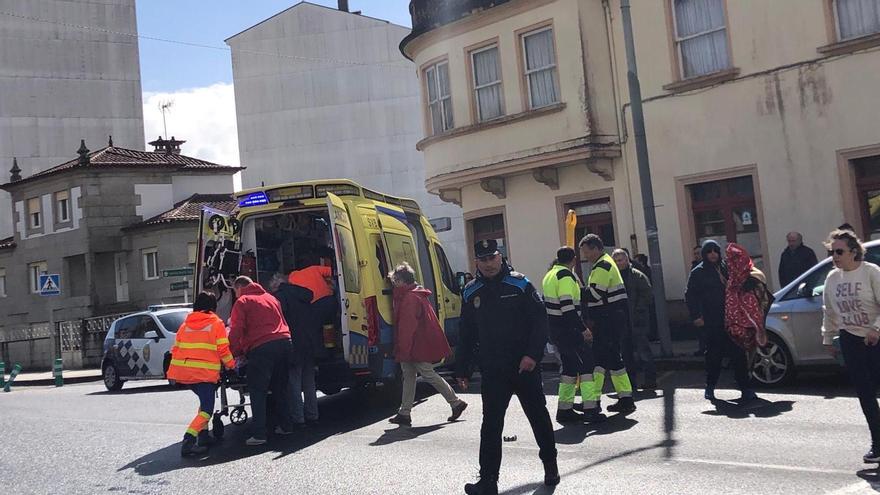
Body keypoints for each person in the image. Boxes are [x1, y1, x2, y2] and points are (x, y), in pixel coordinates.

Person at [456, 239, 558, 494]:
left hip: (524, 367)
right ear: (476, 261)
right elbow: (467, 334)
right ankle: (488, 480)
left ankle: (550, 465)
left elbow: (540, 323)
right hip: (493, 369)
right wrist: (463, 369)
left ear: (500, 257)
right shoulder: (471, 291)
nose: (489, 264)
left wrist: (533, 355)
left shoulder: (520, 284)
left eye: (493, 258)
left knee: (538, 417)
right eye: (483, 259)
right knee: (491, 425)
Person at [822, 229, 880, 463]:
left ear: (853, 251)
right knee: (865, 393)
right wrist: (828, 337)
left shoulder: (871, 272)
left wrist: (877, 328)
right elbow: (828, 310)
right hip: (850, 339)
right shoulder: (832, 278)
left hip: (875, 338)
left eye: (839, 251)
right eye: (831, 252)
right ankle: (878, 442)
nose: (834, 256)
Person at [386, 262, 467, 427]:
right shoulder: (416, 294)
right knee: (410, 375)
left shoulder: (409, 298)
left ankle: (455, 402)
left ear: (402, 281)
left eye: (395, 280)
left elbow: (407, 328)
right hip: (419, 343)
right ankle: (404, 412)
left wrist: (403, 349)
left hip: (415, 345)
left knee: (426, 374)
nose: (394, 283)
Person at [229, 276, 297, 445]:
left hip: (261, 348)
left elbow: (237, 330)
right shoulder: (271, 298)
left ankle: (259, 434)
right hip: (285, 343)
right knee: (280, 388)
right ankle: (286, 426)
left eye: (235, 291)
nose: (235, 295)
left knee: (258, 390)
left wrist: (234, 352)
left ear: (239, 288)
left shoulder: (243, 301)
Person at [166, 292, 235, 457]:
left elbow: (175, 349)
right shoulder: (215, 323)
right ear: (213, 307)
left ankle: (203, 437)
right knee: (207, 409)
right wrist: (231, 366)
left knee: (204, 402)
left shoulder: (185, 325)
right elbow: (223, 349)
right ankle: (189, 440)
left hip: (186, 373)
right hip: (204, 373)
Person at [542, 247, 605, 424]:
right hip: (569, 330)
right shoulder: (565, 276)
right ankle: (590, 409)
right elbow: (567, 306)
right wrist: (583, 329)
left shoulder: (550, 275)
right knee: (587, 366)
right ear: (574, 260)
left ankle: (565, 409)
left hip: (556, 329)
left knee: (569, 369)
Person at [686, 241, 755, 402]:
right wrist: (696, 316)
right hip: (711, 320)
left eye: (715, 251)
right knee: (713, 356)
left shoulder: (727, 267)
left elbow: (741, 284)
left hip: (731, 318)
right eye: (709, 252)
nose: (712, 254)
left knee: (738, 354)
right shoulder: (698, 272)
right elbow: (690, 296)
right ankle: (710, 387)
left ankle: (745, 388)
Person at [579, 235, 636, 413]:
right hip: (611, 318)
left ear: (596, 248)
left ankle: (596, 400)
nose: (585, 255)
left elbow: (595, 294)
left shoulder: (603, 266)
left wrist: (577, 290)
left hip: (608, 319)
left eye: (586, 251)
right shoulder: (603, 264)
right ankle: (622, 398)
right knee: (608, 359)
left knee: (602, 359)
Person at [271, 272, 333, 427]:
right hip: (310, 343)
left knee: (294, 382)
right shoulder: (302, 294)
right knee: (309, 381)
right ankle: (313, 414)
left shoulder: (280, 298)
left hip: (294, 344)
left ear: (276, 286)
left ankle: (298, 418)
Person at [612, 249, 657, 390]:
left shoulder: (638, 276)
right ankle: (630, 383)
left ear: (627, 260)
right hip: (621, 321)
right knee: (626, 355)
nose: (618, 263)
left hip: (637, 320)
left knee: (644, 352)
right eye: (616, 260)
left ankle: (650, 380)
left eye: (621, 260)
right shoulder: (613, 278)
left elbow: (648, 295)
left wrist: (638, 309)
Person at [725, 243, 774, 352]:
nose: (734, 263)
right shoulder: (732, 279)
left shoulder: (755, 276)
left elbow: (764, 300)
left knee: (756, 354)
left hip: (754, 325)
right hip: (736, 327)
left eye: (737, 258)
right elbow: (729, 300)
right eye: (731, 259)